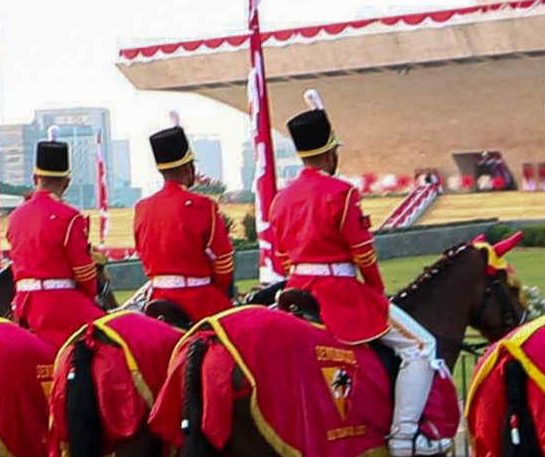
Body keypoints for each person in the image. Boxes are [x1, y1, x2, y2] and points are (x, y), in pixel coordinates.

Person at [264, 106, 442, 457]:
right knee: (421, 347)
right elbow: (363, 254)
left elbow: (283, 257)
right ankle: (404, 439)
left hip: (295, 290)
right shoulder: (342, 193)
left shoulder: (281, 198)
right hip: (338, 293)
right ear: (330, 152)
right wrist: (376, 292)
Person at [5, 141, 103, 345]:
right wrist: (91, 295)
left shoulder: (15, 216)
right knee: (113, 335)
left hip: (23, 304)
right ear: (66, 182)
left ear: (35, 178)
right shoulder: (70, 217)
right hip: (61, 305)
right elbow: (84, 273)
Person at [130, 126, 233, 319]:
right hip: (201, 300)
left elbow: (143, 254)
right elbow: (223, 263)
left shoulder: (142, 207)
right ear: (189, 167)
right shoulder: (203, 205)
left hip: (157, 299)